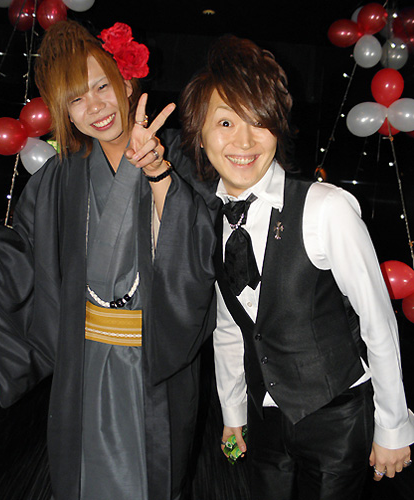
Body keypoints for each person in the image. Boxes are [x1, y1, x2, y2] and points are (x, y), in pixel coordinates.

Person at [0, 20, 216, 500]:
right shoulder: (57, 178)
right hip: (84, 360)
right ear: (63, 113)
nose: (94, 107)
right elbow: (25, 261)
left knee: (153, 478)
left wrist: (159, 175)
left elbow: (200, 252)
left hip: (156, 359)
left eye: (101, 87)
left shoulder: (179, 155)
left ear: (126, 83)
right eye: (75, 99)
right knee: (83, 478)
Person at [178, 35, 414, 499]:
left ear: (278, 127)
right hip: (265, 418)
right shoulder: (212, 219)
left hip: (336, 415)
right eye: (225, 122)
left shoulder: (325, 207)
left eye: (258, 121)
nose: (244, 141)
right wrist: (233, 414)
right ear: (199, 136)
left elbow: (378, 320)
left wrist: (393, 424)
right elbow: (230, 327)